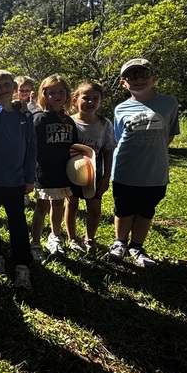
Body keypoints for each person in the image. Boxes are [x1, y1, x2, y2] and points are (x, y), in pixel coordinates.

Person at [109, 58, 180, 267]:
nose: (138, 79)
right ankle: (120, 242)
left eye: (143, 73)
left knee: (146, 210)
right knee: (123, 209)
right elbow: (119, 137)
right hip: (125, 170)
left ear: (153, 78)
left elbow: (169, 135)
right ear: (124, 83)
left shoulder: (169, 103)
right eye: (132, 75)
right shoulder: (120, 109)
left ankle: (136, 246)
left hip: (155, 172)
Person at [0, 70, 37, 289]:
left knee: (18, 223)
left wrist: (29, 177)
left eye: (6, 84)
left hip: (16, 180)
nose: (3, 89)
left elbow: (31, 149)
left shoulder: (25, 116)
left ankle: (22, 264)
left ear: (14, 86)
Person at [30, 74, 80, 258]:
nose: (57, 96)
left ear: (67, 94)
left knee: (58, 204)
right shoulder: (40, 119)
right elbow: (33, 147)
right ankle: (35, 242)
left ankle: (55, 236)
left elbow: (74, 147)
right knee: (41, 207)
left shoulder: (69, 120)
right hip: (45, 172)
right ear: (44, 95)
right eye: (52, 92)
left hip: (64, 172)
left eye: (61, 92)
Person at [65, 81, 115, 255]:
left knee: (94, 208)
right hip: (72, 173)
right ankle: (72, 238)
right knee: (72, 205)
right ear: (75, 100)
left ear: (101, 102)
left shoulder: (104, 124)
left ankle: (90, 238)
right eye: (85, 98)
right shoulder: (69, 122)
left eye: (96, 99)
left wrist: (106, 176)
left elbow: (108, 150)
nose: (90, 102)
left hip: (95, 174)